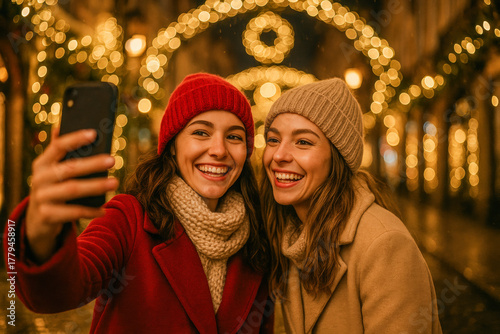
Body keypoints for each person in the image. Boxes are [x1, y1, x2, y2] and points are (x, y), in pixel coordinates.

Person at [5, 73, 273, 333]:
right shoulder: (129, 219)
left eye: (234, 136)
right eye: (201, 132)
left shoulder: (256, 240)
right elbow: (60, 291)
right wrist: (39, 237)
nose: (219, 150)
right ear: (172, 145)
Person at [261, 78, 442, 333]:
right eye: (273, 139)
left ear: (337, 156)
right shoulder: (290, 235)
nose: (279, 155)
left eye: (303, 142)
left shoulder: (385, 245)